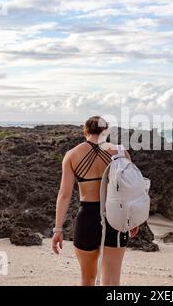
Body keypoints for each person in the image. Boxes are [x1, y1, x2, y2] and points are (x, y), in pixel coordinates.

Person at [51, 116, 139, 286]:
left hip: (87, 218)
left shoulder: (72, 155)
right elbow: (131, 190)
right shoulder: (121, 152)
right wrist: (133, 219)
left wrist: (58, 229)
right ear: (106, 130)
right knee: (112, 280)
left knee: (87, 278)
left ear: (85, 131)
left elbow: (64, 194)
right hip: (116, 217)